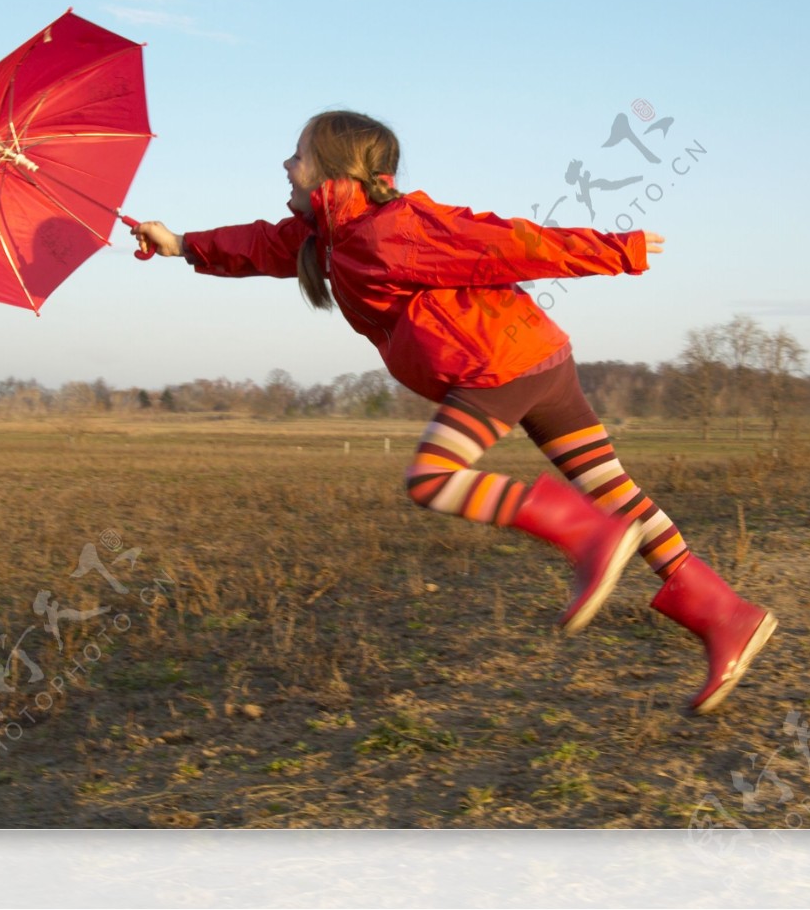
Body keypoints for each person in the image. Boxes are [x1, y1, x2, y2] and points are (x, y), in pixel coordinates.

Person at [129, 110, 776, 714]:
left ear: (335, 169)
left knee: (433, 478)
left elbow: (502, 243)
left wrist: (614, 250)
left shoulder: (390, 228)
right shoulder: (329, 238)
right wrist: (179, 242)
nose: (284, 166)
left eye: (297, 156)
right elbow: (263, 246)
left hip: (499, 366)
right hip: (535, 358)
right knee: (617, 492)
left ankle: (587, 536)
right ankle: (725, 616)